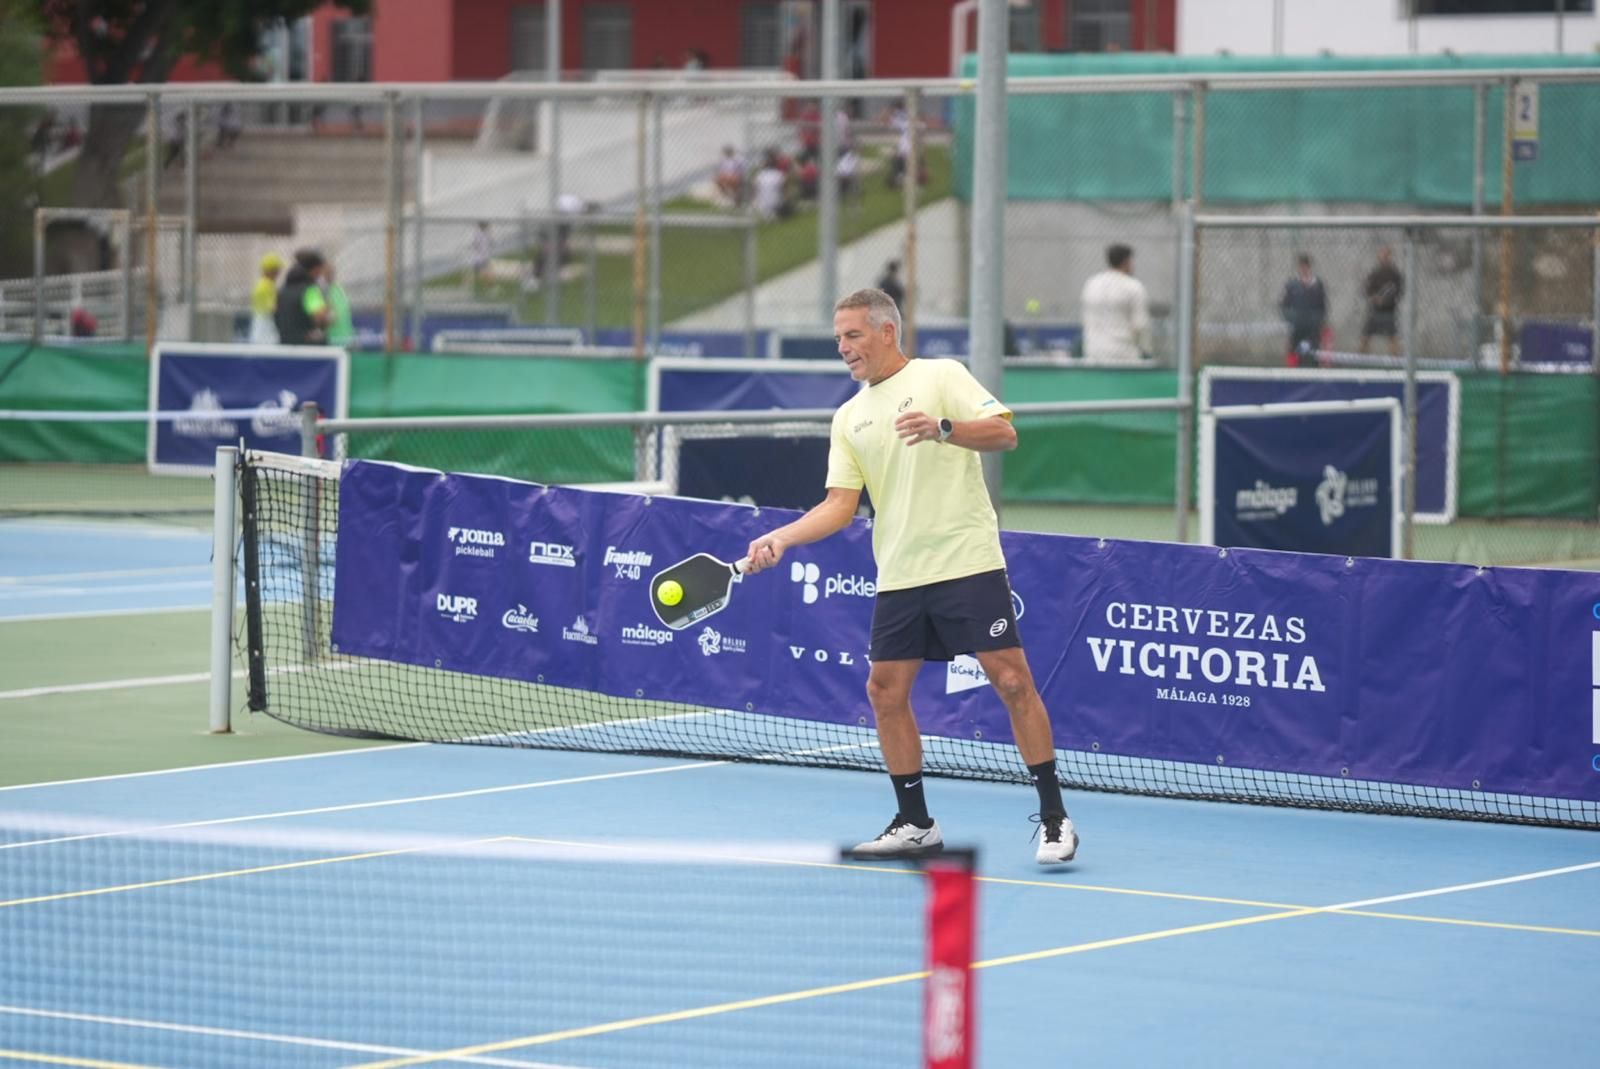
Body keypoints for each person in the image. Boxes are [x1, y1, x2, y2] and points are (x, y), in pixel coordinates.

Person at [743, 288, 1079, 867]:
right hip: (899, 573)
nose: (843, 348)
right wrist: (782, 537)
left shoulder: (940, 375)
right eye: (839, 339)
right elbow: (840, 505)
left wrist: (944, 428)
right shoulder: (849, 416)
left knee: (1013, 683)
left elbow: (1004, 434)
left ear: (887, 332)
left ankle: (1054, 820)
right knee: (884, 690)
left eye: (852, 336)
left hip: (966, 560)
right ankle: (916, 823)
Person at [1079, 243, 1153, 363]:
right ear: (1127, 261)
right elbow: (1141, 324)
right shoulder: (1133, 286)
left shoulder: (1091, 284)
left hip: (1093, 351)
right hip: (1124, 352)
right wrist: (1146, 350)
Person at [274, 249, 330, 346]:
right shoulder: (310, 291)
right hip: (306, 346)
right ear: (316, 270)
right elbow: (320, 317)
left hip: (284, 344)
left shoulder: (283, 291)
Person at [1280, 253, 1328, 366]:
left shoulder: (1317, 284)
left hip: (1313, 323)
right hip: (1298, 322)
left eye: (1305, 266)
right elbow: (1285, 303)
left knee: (1313, 347)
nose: (1303, 269)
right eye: (1301, 266)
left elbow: (1322, 304)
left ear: (1309, 267)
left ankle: (1314, 367)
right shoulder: (1292, 284)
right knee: (1294, 347)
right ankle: (1292, 369)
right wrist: (1290, 318)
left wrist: (1320, 320)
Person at [1359, 246, 1405, 357]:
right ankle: (1361, 359)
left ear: (1390, 257)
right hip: (1375, 310)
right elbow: (1368, 289)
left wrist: (1385, 300)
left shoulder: (1395, 274)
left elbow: (1398, 291)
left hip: (1389, 311)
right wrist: (1374, 298)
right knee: (1366, 335)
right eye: (1382, 255)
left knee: (1393, 336)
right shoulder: (1374, 273)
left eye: (1386, 255)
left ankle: (1396, 360)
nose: (1384, 258)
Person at [250, 252, 283, 344]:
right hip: (266, 323)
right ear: (270, 270)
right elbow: (272, 307)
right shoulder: (267, 286)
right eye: (277, 270)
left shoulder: (259, 284)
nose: (278, 273)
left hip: (259, 322)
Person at [322, 262, 355, 347]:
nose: (330, 275)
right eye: (327, 272)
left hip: (346, 338)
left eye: (332, 272)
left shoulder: (338, 288)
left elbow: (345, 312)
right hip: (330, 340)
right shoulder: (319, 290)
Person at [469, 221, 492, 296]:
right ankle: (486, 286)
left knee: (484, 272)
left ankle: (487, 287)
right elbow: (475, 244)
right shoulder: (477, 234)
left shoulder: (485, 233)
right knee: (481, 272)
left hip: (483, 256)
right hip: (479, 257)